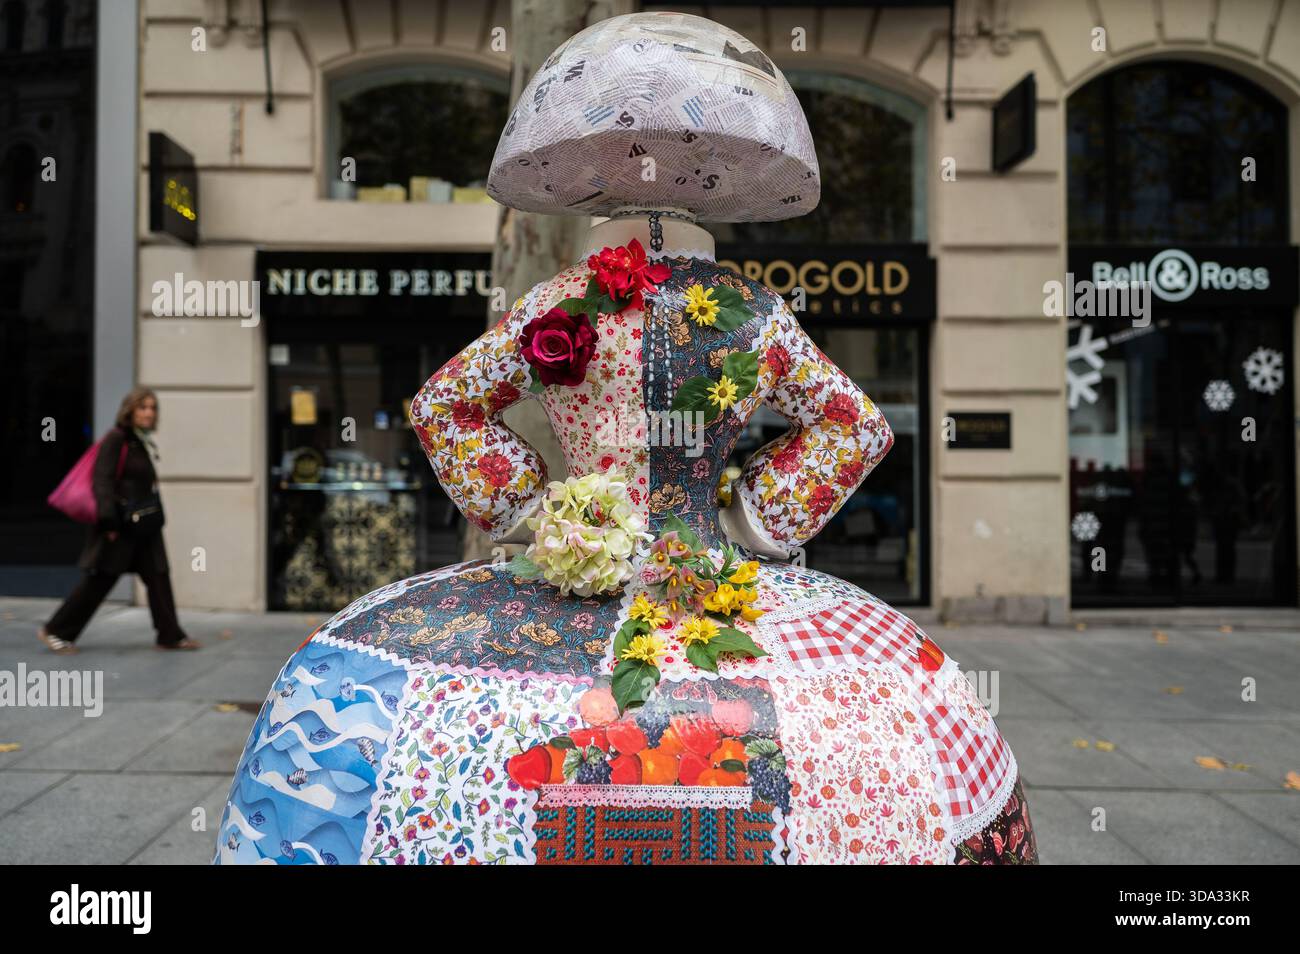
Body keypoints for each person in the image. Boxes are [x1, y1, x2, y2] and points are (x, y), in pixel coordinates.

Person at [216, 12, 1035, 865]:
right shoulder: (750, 310)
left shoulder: (563, 304)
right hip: (706, 566)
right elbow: (854, 427)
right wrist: (752, 522)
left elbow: (443, 406)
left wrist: (540, 515)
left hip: (574, 569)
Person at [38, 387, 200, 653]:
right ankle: (56, 630)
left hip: (144, 526)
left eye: (152, 407)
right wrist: (108, 521)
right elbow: (102, 480)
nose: (149, 412)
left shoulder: (140, 441)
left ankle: (170, 636)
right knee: (100, 579)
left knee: (159, 576)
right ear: (130, 410)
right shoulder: (117, 439)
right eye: (143, 407)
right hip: (119, 526)